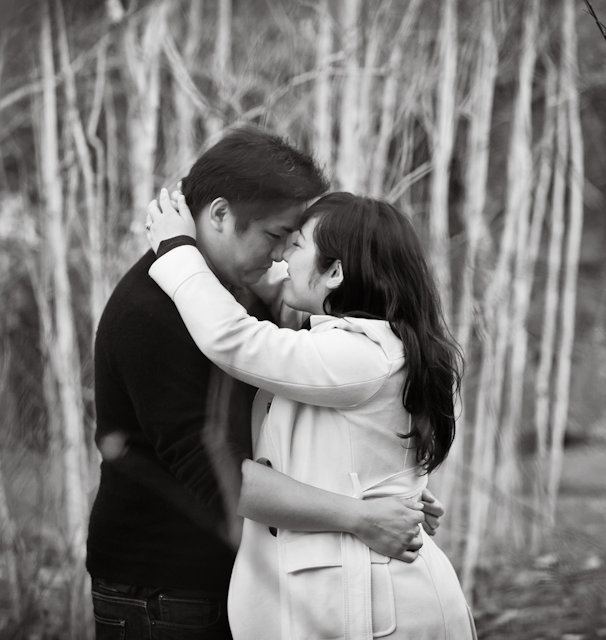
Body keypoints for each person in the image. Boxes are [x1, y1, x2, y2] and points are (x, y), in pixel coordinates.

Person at [87, 127, 439, 640]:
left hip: (226, 579)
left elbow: (294, 417)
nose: (281, 257)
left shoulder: (231, 297)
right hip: (163, 590)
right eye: (277, 236)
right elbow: (219, 475)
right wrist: (360, 515)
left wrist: (384, 485)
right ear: (221, 215)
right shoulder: (152, 312)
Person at [146, 188, 477, 639]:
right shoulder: (380, 345)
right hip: (365, 598)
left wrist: (177, 251)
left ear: (336, 271)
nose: (282, 253)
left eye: (296, 244)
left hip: (377, 608)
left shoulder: (360, 354)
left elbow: (236, 340)